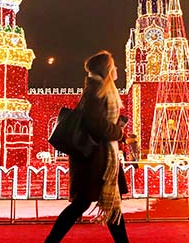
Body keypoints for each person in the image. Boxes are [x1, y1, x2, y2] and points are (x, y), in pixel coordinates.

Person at [45, 51, 129, 243]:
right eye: (113, 65)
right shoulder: (96, 91)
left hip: (100, 157)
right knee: (82, 204)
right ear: (107, 69)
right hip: (94, 160)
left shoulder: (99, 90)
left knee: (108, 205)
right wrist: (118, 132)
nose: (117, 68)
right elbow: (96, 124)